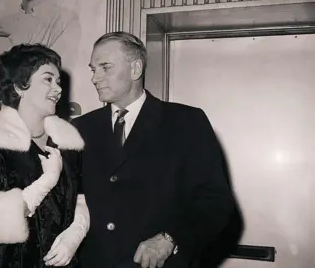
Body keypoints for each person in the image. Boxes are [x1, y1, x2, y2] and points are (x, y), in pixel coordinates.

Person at [71, 31, 235, 268]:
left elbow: (214, 201)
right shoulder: (81, 127)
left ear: (135, 69)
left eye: (105, 67)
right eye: (93, 69)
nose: (95, 78)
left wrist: (170, 238)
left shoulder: (186, 122)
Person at [0, 44, 89, 268]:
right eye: (48, 79)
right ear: (19, 86)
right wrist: (47, 181)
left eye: (58, 81)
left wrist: (74, 236)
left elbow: (82, 199)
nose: (58, 89)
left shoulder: (68, 144)